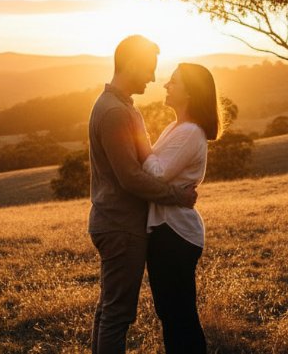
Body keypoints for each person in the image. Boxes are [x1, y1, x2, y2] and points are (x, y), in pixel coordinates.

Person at [88, 35, 197, 354]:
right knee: (117, 316)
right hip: (122, 225)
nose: (152, 77)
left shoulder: (117, 106)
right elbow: (130, 177)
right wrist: (177, 195)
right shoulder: (115, 112)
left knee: (108, 311)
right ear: (132, 64)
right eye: (148, 68)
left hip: (115, 222)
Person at [136, 63, 217, 354]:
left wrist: (139, 141)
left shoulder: (191, 133)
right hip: (165, 231)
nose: (166, 85)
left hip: (175, 234)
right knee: (170, 315)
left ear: (191, 93)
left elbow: (156, 174)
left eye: (174, 82)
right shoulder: (175, 128)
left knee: (179, 316)